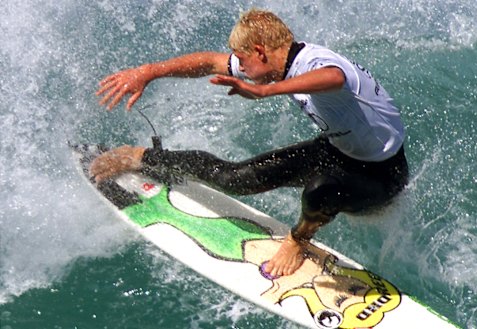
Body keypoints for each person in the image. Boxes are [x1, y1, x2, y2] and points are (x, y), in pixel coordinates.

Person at [90, 9, 409, 277]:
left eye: (243, 61)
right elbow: (210, 62)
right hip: (338, 151)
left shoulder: (314, 63)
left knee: (319, 189)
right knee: (235, 179)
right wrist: (148, 72)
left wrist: (265, 91)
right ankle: (141, 157)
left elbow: (334, 78)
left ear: (260, 51)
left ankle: (298, 240)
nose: (240, 69)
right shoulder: (284, 62)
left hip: (381, 175)